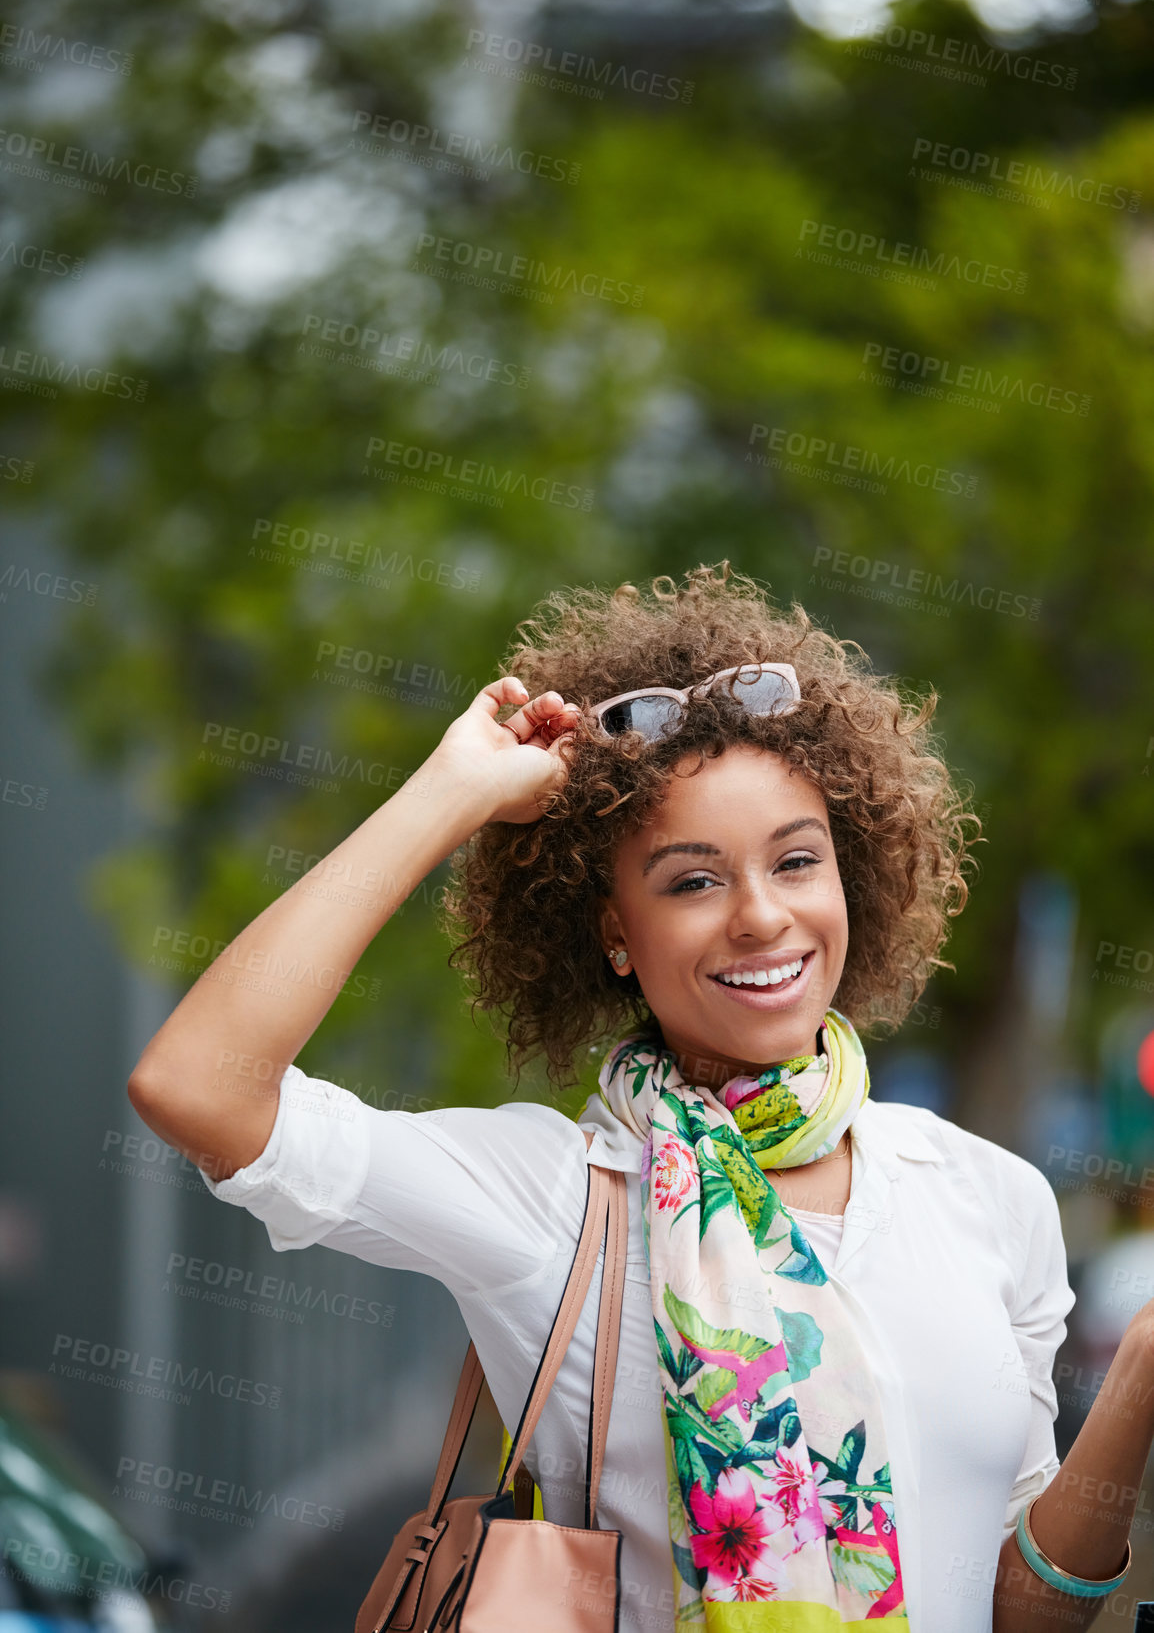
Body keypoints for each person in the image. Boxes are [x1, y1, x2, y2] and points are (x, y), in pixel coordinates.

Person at [128, 564, 1154, 1633]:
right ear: (615, 933)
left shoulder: (985, 1194)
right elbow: (197, 1083)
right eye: (692, 880)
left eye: (794, 861)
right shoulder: (556, 1199)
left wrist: (1136, 1366)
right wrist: (453, 790)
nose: (761, 916)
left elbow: (1021, 1615)